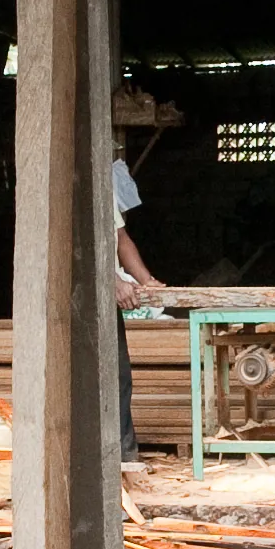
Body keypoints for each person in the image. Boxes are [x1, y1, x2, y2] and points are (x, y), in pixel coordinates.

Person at [109, 154, 158, 457]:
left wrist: (147, 281)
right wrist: (111, 280)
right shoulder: (67, 188)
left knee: (118, 377)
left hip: (105, 297)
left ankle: (123, 458)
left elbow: (120, 239)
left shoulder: (100, 187)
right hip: (74, 301)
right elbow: (78, 246)